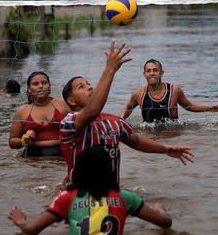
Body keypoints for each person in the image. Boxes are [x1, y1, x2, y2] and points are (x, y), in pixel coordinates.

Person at [60, 40, 194, 184]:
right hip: (80, 193)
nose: (90, 88)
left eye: (89, 84)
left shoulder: (113, 122)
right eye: (81, 86)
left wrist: (165, 149)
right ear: (72, 100)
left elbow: (135, 141)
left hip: (111, 193)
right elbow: (92, 112)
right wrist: (110, 70)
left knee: (154, 206)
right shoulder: (68, 123)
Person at [8, 146, 172, 235]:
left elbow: (31, 230)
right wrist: (159, 209)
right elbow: (165, 223)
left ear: (78, 171)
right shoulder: (125, 197)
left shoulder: (66, 198)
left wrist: (20, 220)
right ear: (110, 170)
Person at [120, 59, 218, 122]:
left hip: (173, 133)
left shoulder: (174, 91)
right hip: (150, 134)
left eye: (155, 70)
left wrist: (210, 108)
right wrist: (120, 120)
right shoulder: (138, 94)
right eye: (148, 71)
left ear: (162, 72)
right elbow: (128, 107)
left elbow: (189, 106)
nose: (152, 73)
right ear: (144, 74)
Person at [9, 71, 70, 158]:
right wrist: (25, 139)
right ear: (29, 89)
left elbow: (79, 128)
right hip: (32, 158)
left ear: (49, 86)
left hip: (62, 154)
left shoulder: (63, 104)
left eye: (44, 83)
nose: (41, 86)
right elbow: (12, 142)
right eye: (35, 84)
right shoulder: (22, 111)